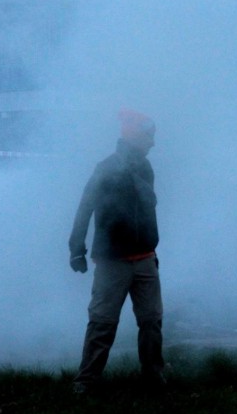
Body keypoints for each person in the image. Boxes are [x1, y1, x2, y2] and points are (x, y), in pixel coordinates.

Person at [68, 109, 165, 394]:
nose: (153, 143)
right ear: (136, 137)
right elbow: (84, 208)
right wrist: (77, 249)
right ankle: (86, 381)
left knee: (151, 322)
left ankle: (154, 379)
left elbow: (149, 205)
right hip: (112, 262)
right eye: (149, 137)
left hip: (145, 258)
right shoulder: (106, 168)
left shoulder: (145, 168)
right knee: (102, 323)